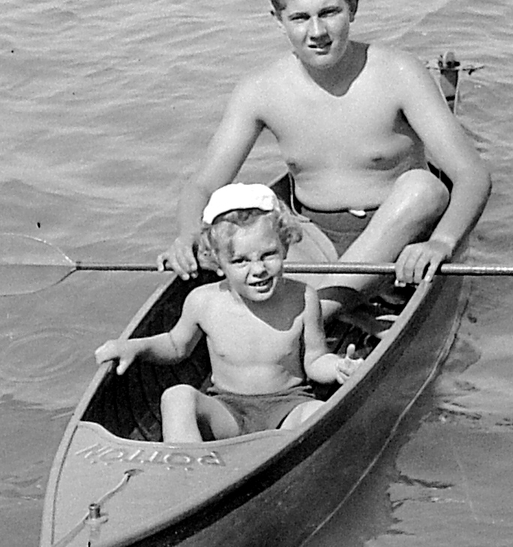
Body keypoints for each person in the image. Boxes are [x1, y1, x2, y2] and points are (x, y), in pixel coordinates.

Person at [159, 0, 491, 316]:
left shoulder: (399, 73)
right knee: (231, 220)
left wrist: (442, 243)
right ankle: (320, 310)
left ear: (353, 7)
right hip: (312, 243)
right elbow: (203, 185)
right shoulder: (259, 90)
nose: (317, 31)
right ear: (278, 19)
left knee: (425, 189)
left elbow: (471, 174)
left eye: (329, 12)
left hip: (400, 244)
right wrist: (188, 236)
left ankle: (304, 319)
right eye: (300, 18)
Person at [96, 184, 360, 441]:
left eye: (268, 254)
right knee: (176, 396)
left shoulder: (302, 297)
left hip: (289, 407)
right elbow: (177, 346)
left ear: (286, 248)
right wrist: (136, 346)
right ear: (217, 262)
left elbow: (314, 360)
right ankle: (189, 467)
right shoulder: (203, 301)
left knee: (319, 413)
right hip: (228, 412)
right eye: (240, 260)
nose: (258, 269)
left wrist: (339, 367)